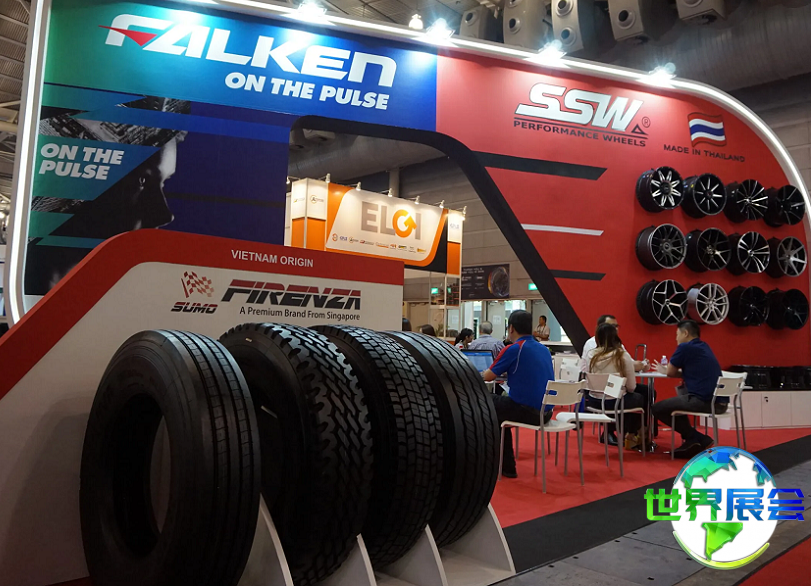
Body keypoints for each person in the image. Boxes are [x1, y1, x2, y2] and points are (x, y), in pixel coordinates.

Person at [482, 310, 555, 478]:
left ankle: (502, 463)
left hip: (527, 411)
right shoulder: (543, 349)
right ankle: (506, 465)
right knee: (500, 409)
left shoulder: (514, 348)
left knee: (485, 400)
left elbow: (488, 376)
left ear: (511, 328)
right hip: (546, 412)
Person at [651, 320, 724, 459]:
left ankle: (696, 438)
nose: (676, 338)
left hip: (704, 401)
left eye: (677, 334)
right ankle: (692, 440)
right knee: (677, 404)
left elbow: (670, 372)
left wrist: (664, 370)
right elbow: (692, 372)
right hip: (719, 402)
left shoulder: (685, 347)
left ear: (685, 333)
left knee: (656, 408)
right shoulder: (704, 346)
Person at [584, 323, 648, 447]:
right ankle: (634, 432)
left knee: (635, 395)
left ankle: (629, 432)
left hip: (594, 400)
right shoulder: (621, 355)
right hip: (615, 401)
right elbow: (631, 387)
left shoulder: (590, 355)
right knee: (640, 397)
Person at [580, 314, 648, 373]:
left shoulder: (618, 345)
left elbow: (630, 362)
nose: (615, 329)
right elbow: (606, 365)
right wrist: (636, 365)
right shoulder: (591, 343)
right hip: (595, 382)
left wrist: (643, 365)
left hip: (614, 381)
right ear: (600, 328)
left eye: (616, 326)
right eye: (611, 326)